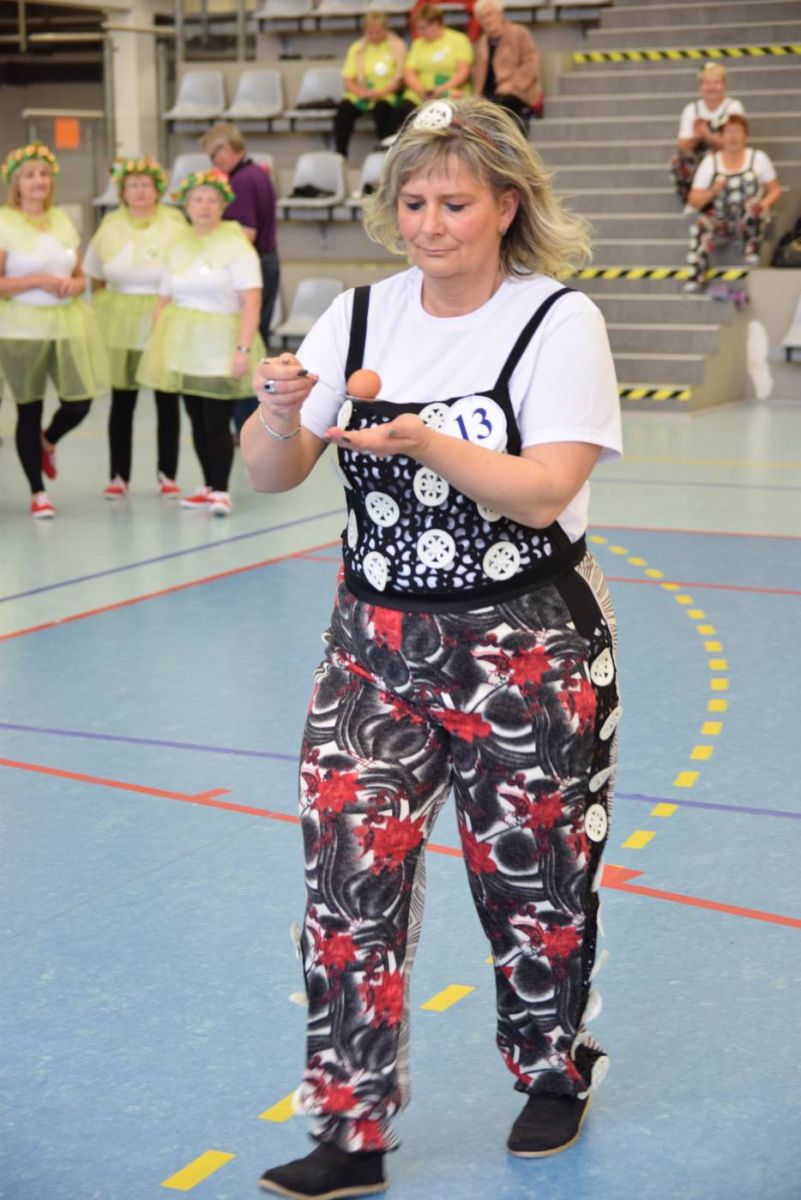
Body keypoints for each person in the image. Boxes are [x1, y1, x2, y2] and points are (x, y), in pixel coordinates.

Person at [244, 96, 622, 1199]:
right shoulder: (357, 316)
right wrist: (279, 410)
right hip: (372, 645)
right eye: (411, 202)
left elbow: (545, 489)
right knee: (345, 876)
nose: (428, 224)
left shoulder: (559, 322)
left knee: (534, 879)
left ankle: (553, 1069)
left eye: (453, 203)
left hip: (528, 644)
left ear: (506, 205)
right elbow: (272, 472)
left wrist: (425, 441)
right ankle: (349, 1128)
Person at [136, 167, 265, 516]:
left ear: (222, 205)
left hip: (220, 344)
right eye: (197, 199)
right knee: (195, 417)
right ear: (187, 205)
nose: (204, 206)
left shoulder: (236, 246)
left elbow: (252, 301)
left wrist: (243, 349)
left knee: (216, 418)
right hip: (183, 344)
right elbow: (164, 298)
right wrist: (158, 342)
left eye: (212, 200)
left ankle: (221, 490)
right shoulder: (178, 244)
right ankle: (208, 485)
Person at [0, 141, 107, 518]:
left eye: (44, 174)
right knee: (28, 409)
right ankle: (38, 492)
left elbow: (79, 275)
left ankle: (48, 441)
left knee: (79, 402)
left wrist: (75, 285)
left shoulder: (62, 220)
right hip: (20, 328)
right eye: (30, 175)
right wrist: (39, 281)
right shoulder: (4, 222)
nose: (38, 180)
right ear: (16, 183)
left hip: (65, 322)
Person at [84, 155, 187, 499]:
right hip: (120, 318)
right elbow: (95, 273)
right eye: (133, 185)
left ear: (157, 190)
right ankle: (119, 475)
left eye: (146, 184)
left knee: (166, 399)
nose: (140, 191)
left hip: (163, 315)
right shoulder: (110, 225)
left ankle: (167, 474)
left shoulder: (175, 223)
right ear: (122, 191)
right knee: (122, 400)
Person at [201, 122, 279, 433]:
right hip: (265, 261)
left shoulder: (242, 181)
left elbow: (246, 233)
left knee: (246, 342)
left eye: (214, 155)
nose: (214, 163)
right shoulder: (257, 172)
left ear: (225, 149)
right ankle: (251, 421)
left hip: (252, 265)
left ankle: (245, 423)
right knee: (255, 339)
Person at [684, 113, 781, 292]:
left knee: (752, 207)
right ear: (721, 137)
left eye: (737, 131)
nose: (733, 136)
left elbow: (775, 189)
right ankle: (696, 274)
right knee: (700, 225)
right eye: (728, 132)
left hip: (749, 217)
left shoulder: (758, 158)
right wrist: (713, 191)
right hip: (721, 218)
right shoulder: (710, 162)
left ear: (745, 135)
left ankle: (750, 246)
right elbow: (694, 200)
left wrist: (763, 206)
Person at [670, 62, 745, 207]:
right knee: (678, 162)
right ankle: (692, 201)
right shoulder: (691, 109)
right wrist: (697, 137)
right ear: (700, 87)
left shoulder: (733, 107)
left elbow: (737, 142)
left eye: (716, 83)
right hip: (699, 156)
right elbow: (682, 144)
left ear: (724, 85)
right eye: (707, 83)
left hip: (725, 156)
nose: (712, 87)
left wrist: (707, 134)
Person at [334, 12, 406, 161]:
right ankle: (340, 154)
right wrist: (362, 93)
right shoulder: (357, 48)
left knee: (382, 108)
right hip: (362, 94)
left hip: (386, 94)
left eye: (378, 32)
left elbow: (400, 79)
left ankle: (384, 153)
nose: (374, 36)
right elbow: (348, 80)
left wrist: (380, 92)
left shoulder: (397, 46)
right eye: (370, 32)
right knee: (344, 108)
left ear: (385, 29)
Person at [393, 5, 474, 127]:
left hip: (450, 91)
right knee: (401, 111)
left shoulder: (458, 40)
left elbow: (463, 71)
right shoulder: (418, 44)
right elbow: (409, 72)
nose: (420, 32)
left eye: (423, 28)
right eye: (418, 28)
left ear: (436, 24)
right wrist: (420, 90)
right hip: (421, 94)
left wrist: (442, 89)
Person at [472, 0, 543, 128]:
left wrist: (512, 84)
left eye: (490, 14)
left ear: (500, 14)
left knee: (494, 107)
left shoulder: (519, 33)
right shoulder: (482, 42)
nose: (487, 20)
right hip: (489, 95)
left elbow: (531, 63)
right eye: (482, 17)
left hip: (517, 92)